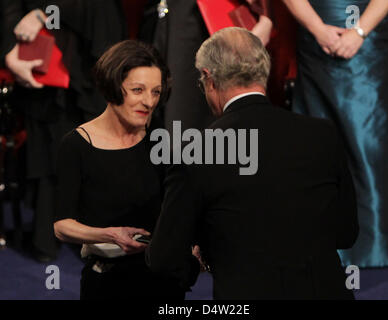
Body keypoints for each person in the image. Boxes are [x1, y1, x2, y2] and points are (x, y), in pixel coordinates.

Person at [147, 27, 359, 300]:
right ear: (263, 73)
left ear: (209, 79)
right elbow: (345, 233)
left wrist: (203, 258)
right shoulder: (323, 134)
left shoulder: (196, 150)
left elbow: (164, 260)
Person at [54, 40, 185, 300]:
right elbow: (61, 226)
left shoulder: (160, 137)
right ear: (113, 87)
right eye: (138, 90)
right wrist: (111, 235)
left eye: (156, 92)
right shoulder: (76, 145)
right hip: (107, 281)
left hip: (161, 277)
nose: (148, 102)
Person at [282, 0, 388, 268]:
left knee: (377, 144)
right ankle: (327, 245)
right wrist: (317, 29)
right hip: (316, 43)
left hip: (370, 43)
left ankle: (383, 243)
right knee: (320, 146)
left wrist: (359, 32)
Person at [2, 0, 128, 262]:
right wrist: (8, 51)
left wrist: (45, 13)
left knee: (97, 144)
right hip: (43, 59)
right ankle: (48, 236)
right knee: (49, 143)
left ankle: (95, 235)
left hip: (94, 47)